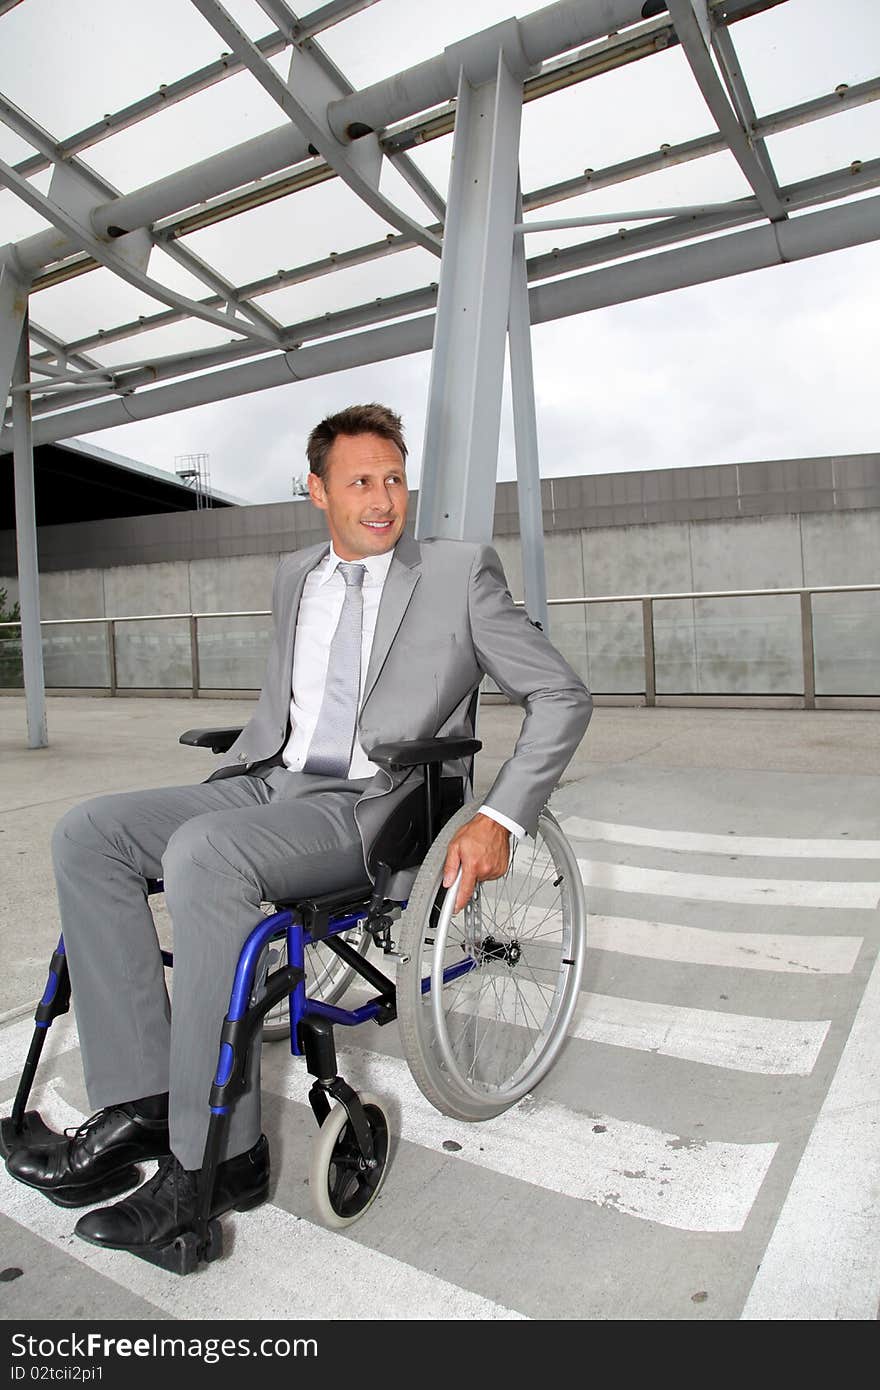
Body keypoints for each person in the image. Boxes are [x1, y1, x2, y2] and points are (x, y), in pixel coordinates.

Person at [5, 403, 591, 1262]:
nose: (384, 498)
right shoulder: (295, 575)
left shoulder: (460, 573)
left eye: (394, 478)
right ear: (317, 491)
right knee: (87, 832)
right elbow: (286, 709)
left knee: (205, 856)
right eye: (360, 482)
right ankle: (140, 1101)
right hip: (269, 782)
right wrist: (247, 765)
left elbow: (562, 694)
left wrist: (501, 814)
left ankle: (214, 1161)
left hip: (370, 805)